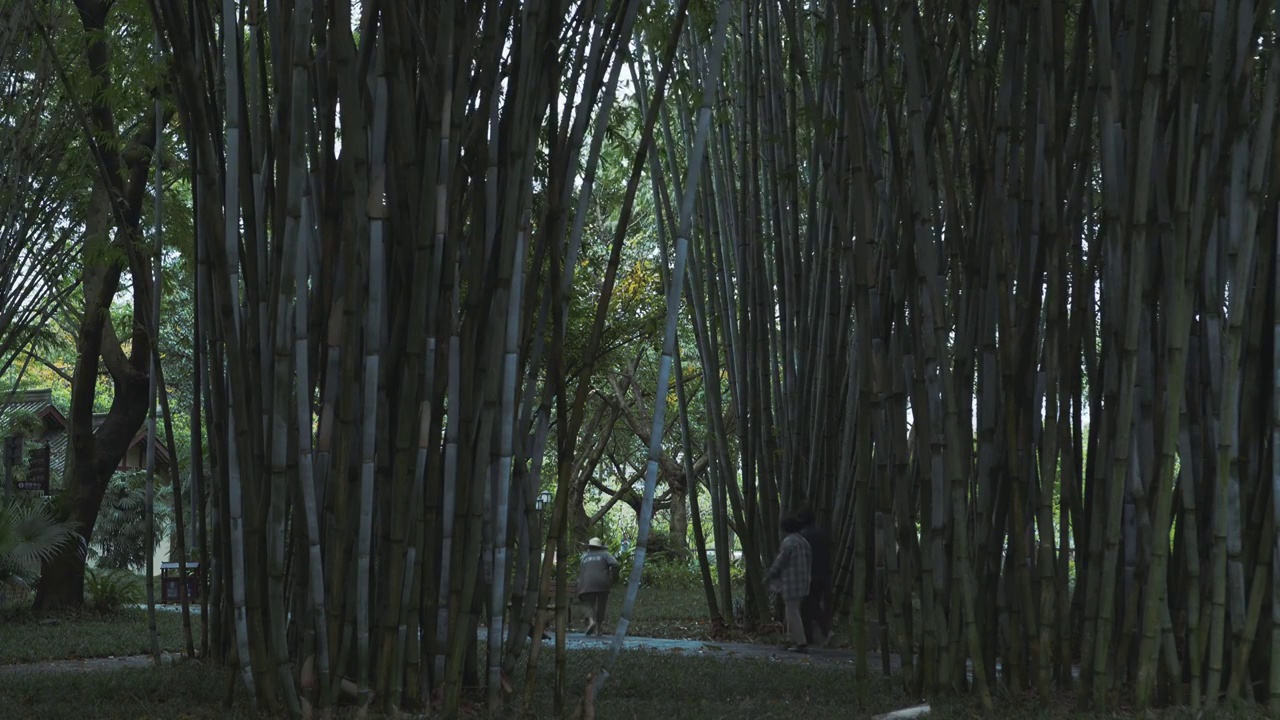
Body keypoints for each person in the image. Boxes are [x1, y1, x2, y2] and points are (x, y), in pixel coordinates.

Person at [767, 514, 813, 653]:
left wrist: (769, 575)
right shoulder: (804, 542)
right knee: (793, 610)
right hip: (804, 582)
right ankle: (787, 639)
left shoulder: (789, 542)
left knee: (792, 612)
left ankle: (801, 643)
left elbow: (780, 562)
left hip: (791, 583)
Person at [796, 508, 833, 646]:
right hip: (824, 576)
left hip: (809, 576)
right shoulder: (822, 534)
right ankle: (811, 636)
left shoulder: (803, 537)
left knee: (808, 605)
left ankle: (823, 631)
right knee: (811, 604)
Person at [577, 537, 619, 636]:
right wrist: (614, 579)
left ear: (590, 546)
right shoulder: (605, 554)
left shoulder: (584, 556)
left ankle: (591, 621)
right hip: (603, 583)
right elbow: (615, 565)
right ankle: (598, 630)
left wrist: (580, 586)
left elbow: (582, 571)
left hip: (587, 583)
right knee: (601, 606)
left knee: (587, 603)